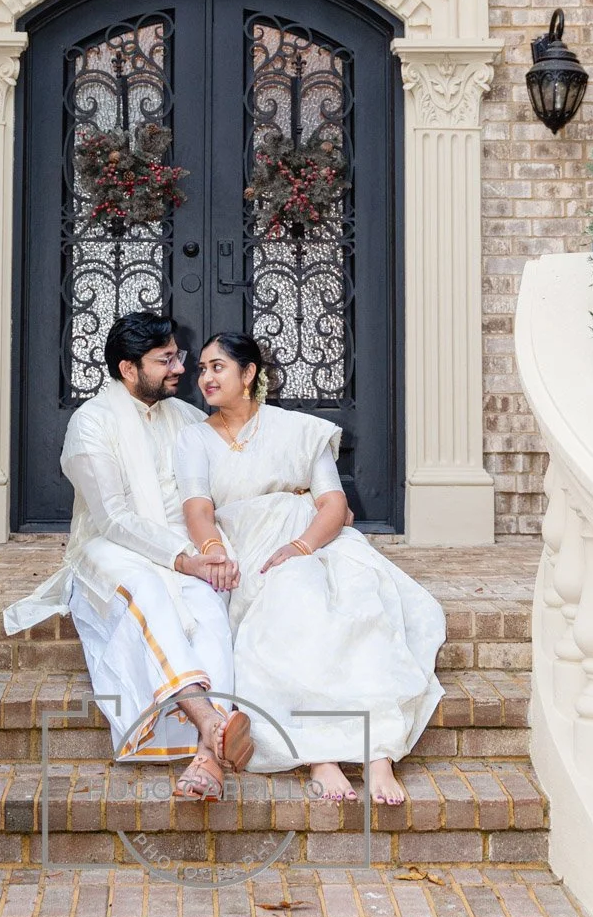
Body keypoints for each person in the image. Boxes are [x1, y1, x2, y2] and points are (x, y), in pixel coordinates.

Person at [174, 331, 446, 804]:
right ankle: (322, 754)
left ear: (249, 373)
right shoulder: (194, 437)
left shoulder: (300, 429)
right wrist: (212, 549)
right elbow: (197, 506)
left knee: (357, 605)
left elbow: (333, 504)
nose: (205, 377)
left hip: (312, 540)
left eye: (217, 366)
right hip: (247, 547)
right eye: (201, 369)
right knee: (294, 605)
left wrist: (300, 546)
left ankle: (378, 755)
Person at [3, 312, 253, 800]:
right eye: (165, 360)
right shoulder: (91, 424)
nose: (181, 368)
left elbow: (231, 476)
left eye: (178, 355)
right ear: (127, 369)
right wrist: (182, 558)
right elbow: (113, 517)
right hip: (109, 547)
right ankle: (211, 721)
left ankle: (207, 757)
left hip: (185, 547)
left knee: (209, 608)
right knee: (148, 594)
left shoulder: (184, 418)